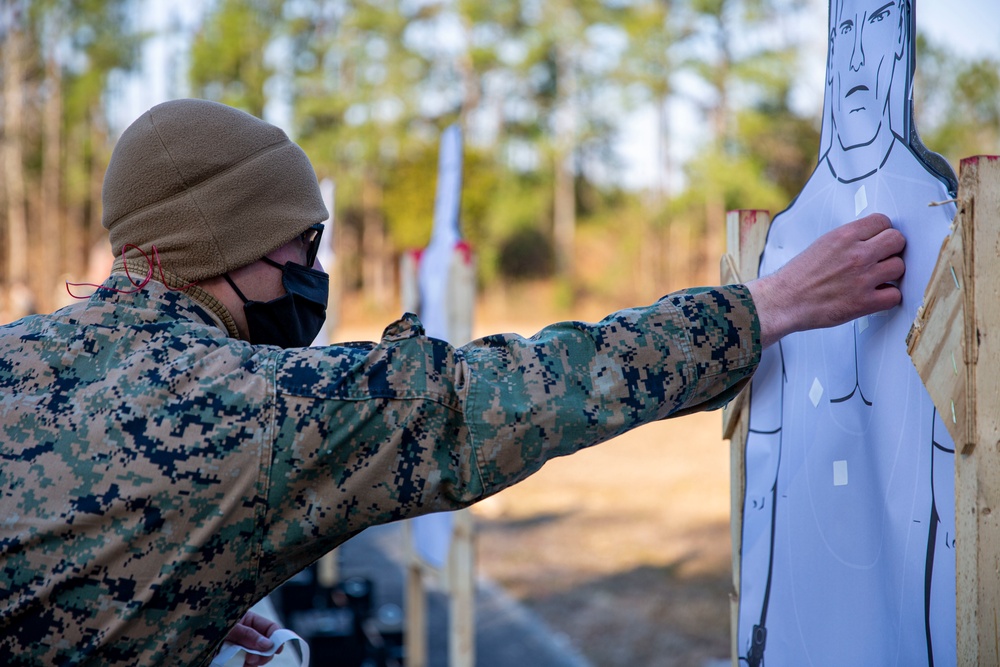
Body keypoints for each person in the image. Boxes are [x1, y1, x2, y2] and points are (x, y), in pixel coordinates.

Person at [0, 98, 905, 666]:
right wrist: (762, 310)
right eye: (299, 244)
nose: (310, 271)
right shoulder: (244, 411)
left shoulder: (19, 355)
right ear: (226, 242)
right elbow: (502, 397)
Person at [736, 0, 958, 664]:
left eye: (878, 26)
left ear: (903, 45)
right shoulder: (787, 241)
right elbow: (766, 465)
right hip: (801, 615)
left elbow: (952, 493)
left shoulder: (940, 223)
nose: (856, 56)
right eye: (842, 32)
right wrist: (754, 629)